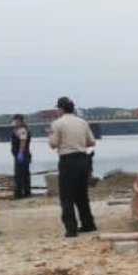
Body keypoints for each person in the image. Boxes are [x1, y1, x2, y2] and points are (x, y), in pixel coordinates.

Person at [47, 97, 97, 237]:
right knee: (82, 195)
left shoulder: (57, 124)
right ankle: (88, 224)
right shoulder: (82, 122)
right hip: (83, 158)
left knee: (67, 196)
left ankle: (71, 228)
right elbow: (92, 142)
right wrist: (78, 143)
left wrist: (50, 135)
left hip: (68, 160)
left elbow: (53, 144)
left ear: (60, 109)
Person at [10, 114, 32, 199]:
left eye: (15, 121)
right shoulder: (19, 130)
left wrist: (20, 153)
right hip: (22, 154)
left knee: (19, 175)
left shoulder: (22, 130)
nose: (14, 122)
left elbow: (23, 142)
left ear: (19, 121)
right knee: (25, 174)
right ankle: (26, 193)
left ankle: (19, 194)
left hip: (22, 154)